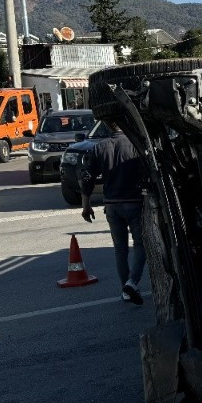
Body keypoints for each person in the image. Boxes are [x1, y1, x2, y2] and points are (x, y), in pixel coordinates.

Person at [80, 121, 147, 305]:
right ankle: (132, 283)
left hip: (112, 205)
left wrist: (86, 206)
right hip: (134, 203)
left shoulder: (99, 147)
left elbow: (87, 177)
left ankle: (125, 290)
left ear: (109, 127)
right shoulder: (136, 145)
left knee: (120, 249)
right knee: (141, 245)